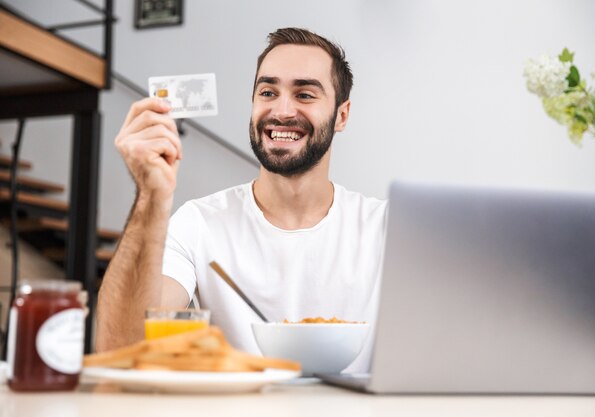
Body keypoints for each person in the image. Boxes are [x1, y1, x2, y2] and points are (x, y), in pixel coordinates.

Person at [96, 27, 387, 372]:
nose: (281, 110)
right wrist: (150, 196)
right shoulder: (198, 224)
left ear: (342, 114)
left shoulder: (386, 229)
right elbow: (119, 348)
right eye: (267, 91)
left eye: (305, 95)